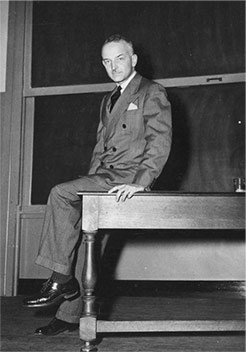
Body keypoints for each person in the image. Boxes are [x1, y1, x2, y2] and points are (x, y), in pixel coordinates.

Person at [23, 34, 172, 335]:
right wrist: (88, 185)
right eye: (107, 60)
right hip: (104, 178)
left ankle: (61, 280)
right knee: (85, 240)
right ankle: (67, 316)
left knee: (60, 194)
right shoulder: (109, 99)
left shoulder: (151, 91)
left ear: (133, 59)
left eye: (119, 58)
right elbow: (99, 149)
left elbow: (160, 141)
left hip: (128, 180)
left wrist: (142, 183)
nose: (113, 65)